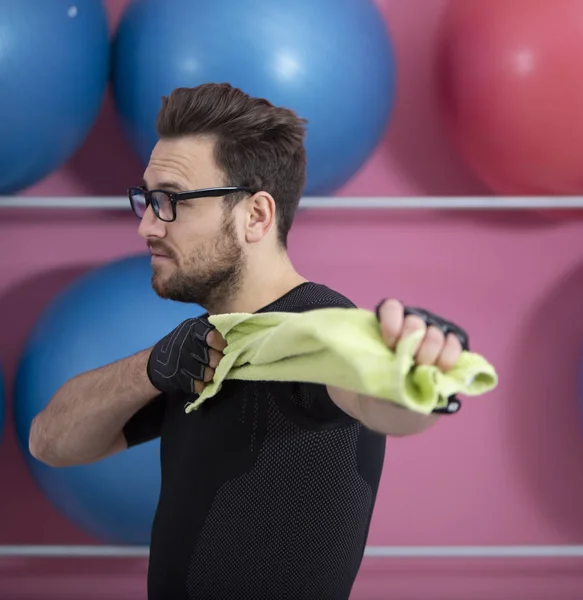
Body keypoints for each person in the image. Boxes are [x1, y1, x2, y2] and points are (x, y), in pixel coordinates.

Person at [29, 83, 469, 600]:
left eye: (170, 199)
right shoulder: (202, 346)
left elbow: (384, 404)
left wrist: (417, 377)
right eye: (147, 199)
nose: (147, 223)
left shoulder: (318, 326)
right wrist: (150, 366)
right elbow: (49, 443)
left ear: (256, 216)